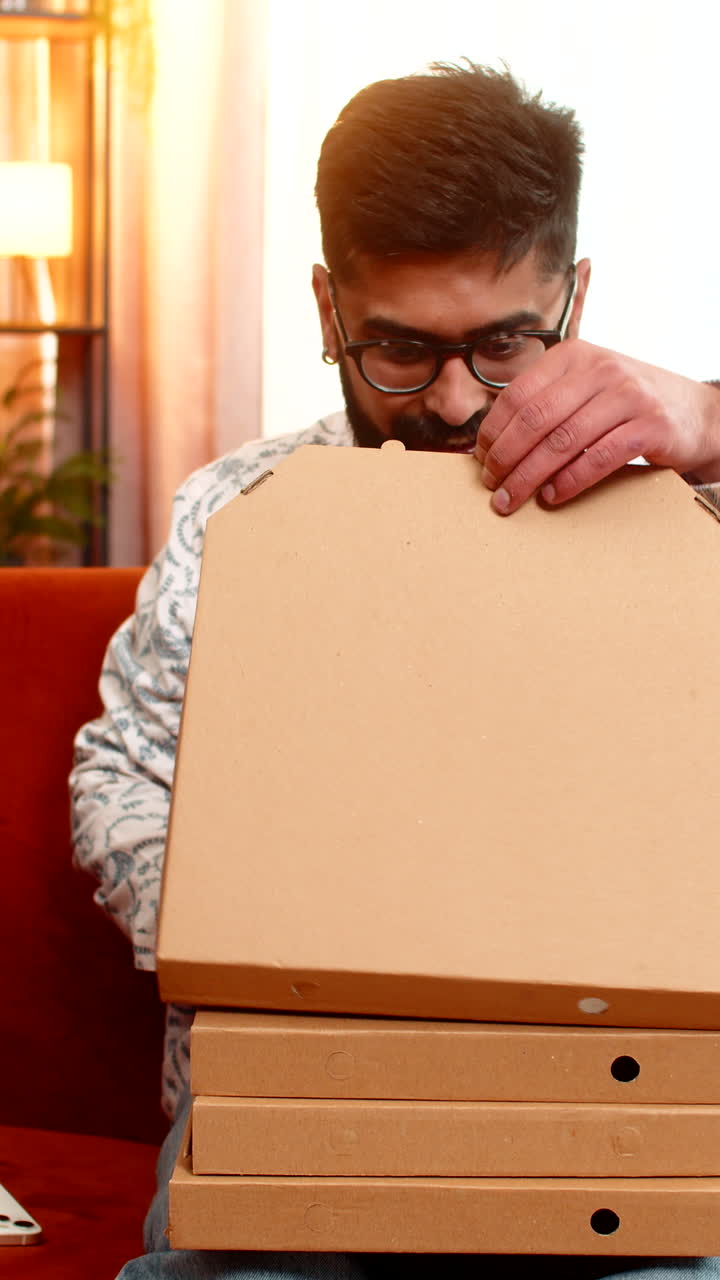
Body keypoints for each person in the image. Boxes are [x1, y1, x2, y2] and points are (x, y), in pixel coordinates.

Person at [71, 61, 720, 1280]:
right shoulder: (239, 510)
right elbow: (122, 776)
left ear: (575, 296)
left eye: (506, 344)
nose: (457, 400)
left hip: (615, 1108)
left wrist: (715, 418)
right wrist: (305, 929)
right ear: (327, 309)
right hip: (293, 1106)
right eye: (398, 350)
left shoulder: (681, 507)